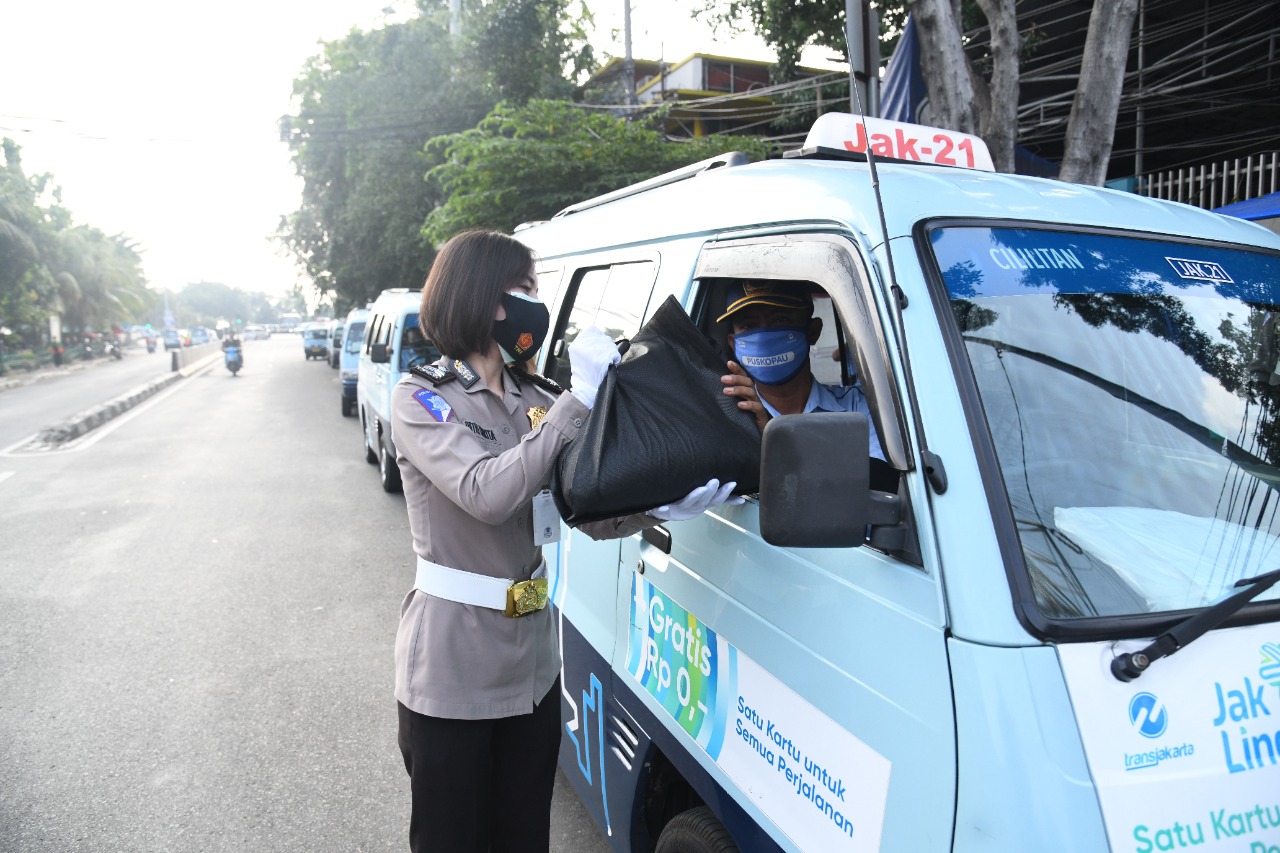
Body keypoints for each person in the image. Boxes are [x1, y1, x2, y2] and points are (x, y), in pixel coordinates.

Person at [390, 228, 741, 853]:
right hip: (453, 667)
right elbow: (486, 493)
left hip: (531, 664)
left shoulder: (535, 398)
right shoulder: (423, 398)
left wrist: (659, 510)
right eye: (523, 288)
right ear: (483, 297)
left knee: (523, 835)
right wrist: (579, 400)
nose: (534, 301)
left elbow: (576, 506)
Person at [719, 280, 885, 461]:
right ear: (733, 344)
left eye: (780, 320)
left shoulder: (859, 408)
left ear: (813, 331)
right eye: (749, 325)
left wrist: (774, 444)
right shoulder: (728, 420)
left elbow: (880, 483)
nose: (763, 339)